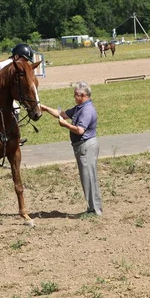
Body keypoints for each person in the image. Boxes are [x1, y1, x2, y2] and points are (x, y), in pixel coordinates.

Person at [40, 81, 102, 216]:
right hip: (81, 147)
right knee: (86, 178)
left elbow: (80, 130)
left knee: (89, 178)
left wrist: (65, 125)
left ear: (83, 95)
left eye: (76, 95)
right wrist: (45, 108)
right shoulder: (80, 107)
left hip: (86, 147)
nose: (74, 97)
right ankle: (92, 208)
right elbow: (62, 114)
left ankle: (95, 210)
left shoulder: (87, 110)